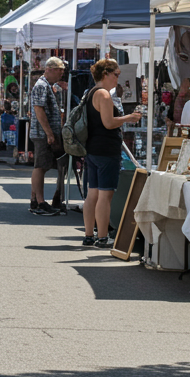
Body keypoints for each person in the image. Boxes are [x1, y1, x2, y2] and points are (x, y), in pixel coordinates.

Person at [82, 58, 142, 248]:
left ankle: (89, 235)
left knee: (93, 193)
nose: (118, 78)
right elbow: (108, 123)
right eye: (116, 74)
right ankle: (101, 237)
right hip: (106, 149)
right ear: (106, 74)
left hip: (92, 148)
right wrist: (128, 118)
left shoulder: (90, 92)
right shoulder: (104, 95)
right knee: (105, 195)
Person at [29, 57, 67, 216]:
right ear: (50, 69)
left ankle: (35, 200)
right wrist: (49, 133)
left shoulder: (48, 86)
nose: (61, 74)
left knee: (42, 166)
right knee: (41, 166)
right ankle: (40, 202)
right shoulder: (42, 86)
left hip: (45, 132)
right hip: (42, 133)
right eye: (60, 71)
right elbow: (39, 110)